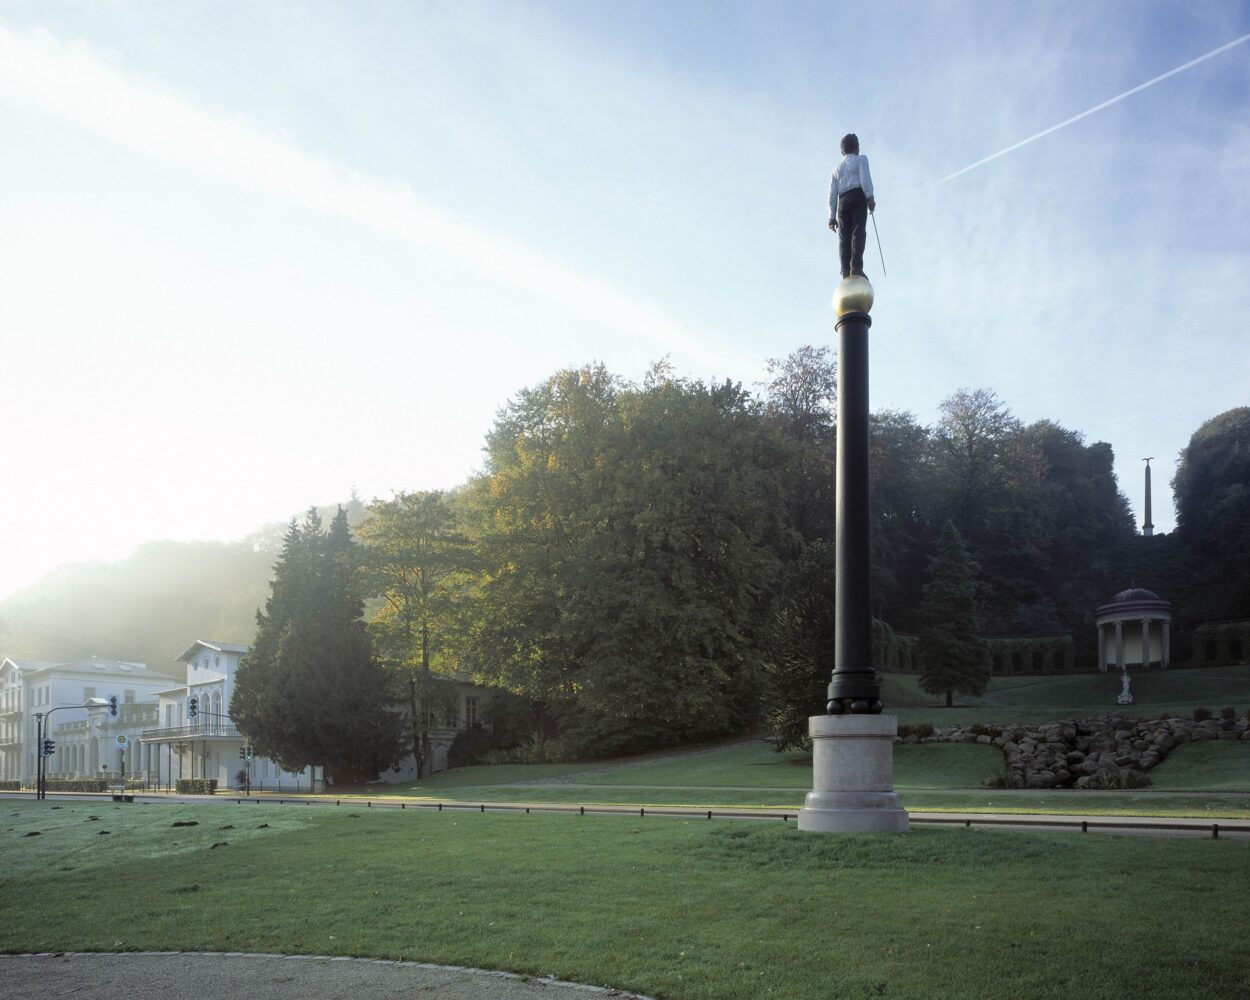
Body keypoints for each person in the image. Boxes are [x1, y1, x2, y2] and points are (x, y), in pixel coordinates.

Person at [827, 133, 876, 279]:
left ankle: (845, 271)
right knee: (858, 232)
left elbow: (832, 194)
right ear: (858, 147)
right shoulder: (861, 160)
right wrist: (870, 197)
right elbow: (865, 178)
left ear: (842, 151)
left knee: (844, 237)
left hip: (842, 202)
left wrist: (831, 216)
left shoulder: (836, 169)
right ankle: (856, 267)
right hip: (857, 197)